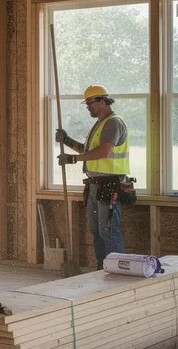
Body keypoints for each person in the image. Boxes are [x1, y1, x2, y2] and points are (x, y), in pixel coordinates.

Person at [56, 85, 131, 270]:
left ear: (103, 101)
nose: (87, 107)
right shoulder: (99, 125)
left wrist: (73, 159)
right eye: (87, 104)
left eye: (90, 103)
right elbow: (89, 151)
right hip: (96, 185)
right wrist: (68, 142)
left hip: (110, 184)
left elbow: (104, 151)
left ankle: (118, 271)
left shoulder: (114, 122)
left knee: (108, 231)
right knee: (97, 231)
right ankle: (102, 270)